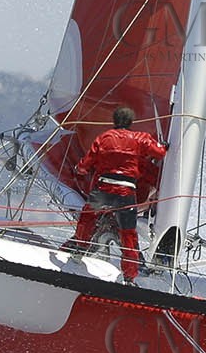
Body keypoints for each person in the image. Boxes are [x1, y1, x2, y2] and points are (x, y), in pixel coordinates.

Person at [64, 105, 166, 283]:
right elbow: (159, 153)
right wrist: (164, 147)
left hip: (104, 190)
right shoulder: (139, 138)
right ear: (131, 122)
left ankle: (79, 251)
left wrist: (79, 169)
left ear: (115, 121)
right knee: (128, 234)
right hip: (125, 193)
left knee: (87, 218)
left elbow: (86, 163)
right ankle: (130, 277)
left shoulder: (104, 138)